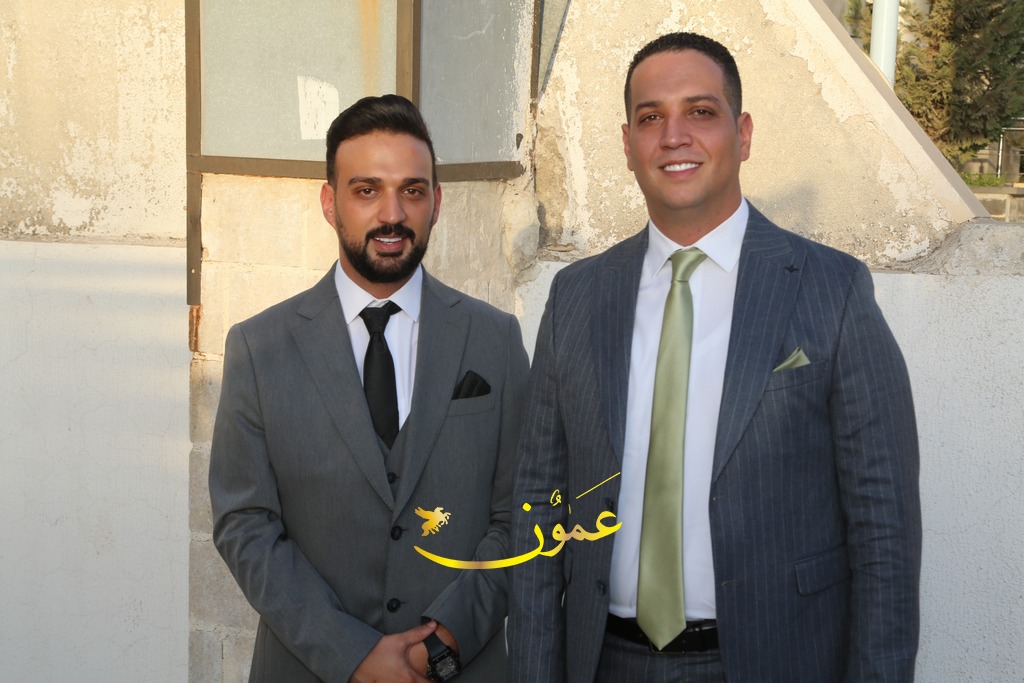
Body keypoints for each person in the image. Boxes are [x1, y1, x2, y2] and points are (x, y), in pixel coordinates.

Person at [508, 32, 921, 683]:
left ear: (743, 133)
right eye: (651, 118)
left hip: (774, 663)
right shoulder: (576, 297)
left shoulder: (831, 290)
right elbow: (538, 500)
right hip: (608, 661)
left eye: (700, 111)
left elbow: (884, 526)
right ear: (627, 145)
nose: (674, 136)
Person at [210, 94, 529, 683]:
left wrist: (441, 645)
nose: (392, 214)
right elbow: (245, 524)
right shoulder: (260, 348)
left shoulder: (496, 339)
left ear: (437, 203)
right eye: (366, 190)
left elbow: (522, 513)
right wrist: (351, 653)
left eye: (413, 190)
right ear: (330, 203)